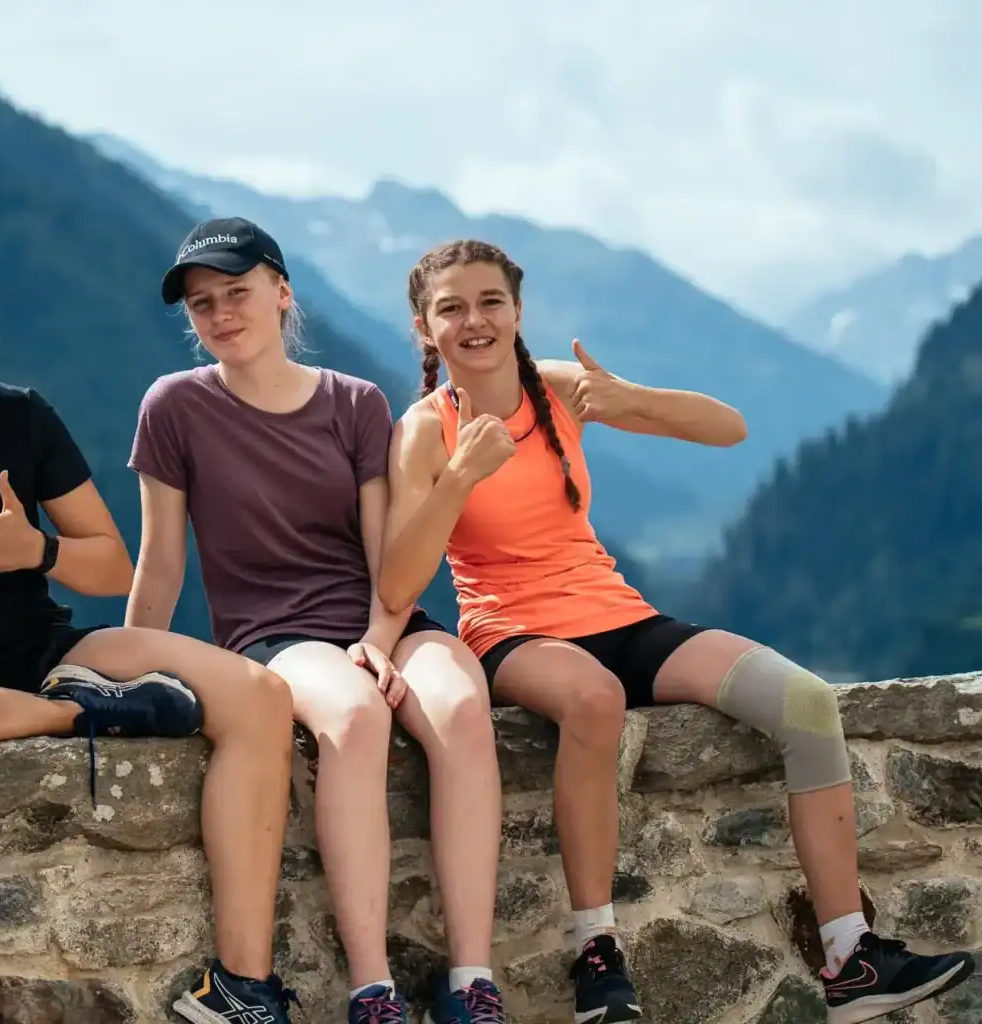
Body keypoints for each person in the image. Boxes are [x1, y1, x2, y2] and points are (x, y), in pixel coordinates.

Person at [377, 238, 978, 1024]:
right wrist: (459, 478)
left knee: (805, 703)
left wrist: (628, 400)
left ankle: (850, 956)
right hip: (515, 636)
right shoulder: (423, 430)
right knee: (593, 702)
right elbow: (395, 581)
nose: (475, 320)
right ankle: (597, 956)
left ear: (518, 311)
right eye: (451, 308)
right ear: (426, 328)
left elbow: (728, 429)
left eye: (490, 301)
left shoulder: (557, 388)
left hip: (625, 618)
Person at [0, 222, 300, 1024]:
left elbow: (109, 561)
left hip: (49, 649)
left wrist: (37, 550)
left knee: (260, 697)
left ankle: (246, 988)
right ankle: (79, 718)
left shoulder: (21, 418)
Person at [127, 217, 507, 1024]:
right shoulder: (174, 407)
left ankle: (474, 984)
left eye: (238, 293)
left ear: (282, 293)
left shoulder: (354, 403)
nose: (221, 314)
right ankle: (375, 992)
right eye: (202, 304)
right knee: (356, 714)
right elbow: (161, 564)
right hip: (274, 637)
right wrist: (132, 674)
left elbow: (386, 551)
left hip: (384, 615)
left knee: (465, 706)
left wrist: (378, 636)